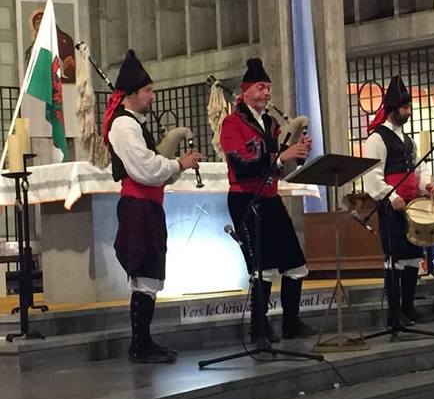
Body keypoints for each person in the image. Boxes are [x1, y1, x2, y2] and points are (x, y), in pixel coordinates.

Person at [103, 50, 202, 363]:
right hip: (138, 206)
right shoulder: (124, 125)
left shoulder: (133, 123)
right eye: (148, 90)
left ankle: (143, 341)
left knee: (150, 274)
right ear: (132, 94)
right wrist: (178, 162)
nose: (153, 96)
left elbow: (153, 168)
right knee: (144, 273)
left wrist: (176, 166)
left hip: (148, 205)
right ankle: (139, 344)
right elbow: (145, 168)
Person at [220, 58, 316, 347]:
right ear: (246, 91)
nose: (267, 94)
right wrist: (280, 157)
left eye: (269, 89)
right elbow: (242, 164)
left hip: (271, 198)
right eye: (262, 88)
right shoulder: (231, 123)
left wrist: (298, 153)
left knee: (296, 264)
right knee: (264, 267)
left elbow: (279, 168)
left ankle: (291, 323)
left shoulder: (272, 124)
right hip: (245, 199)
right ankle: (258, 328)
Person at [364, 75, 434, 331]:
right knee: (395, 259)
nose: (408, 112)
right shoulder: (377, 139)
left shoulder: (408, 140)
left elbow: (419, 168)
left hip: (412, 207)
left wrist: (426, 184)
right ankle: (394, 314)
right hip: (391, 207)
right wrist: (391, 196)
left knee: (412, 258)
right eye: (405, 108)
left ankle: (408, 307)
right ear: (393, 108)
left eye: (409, 108)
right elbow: (372, 175)